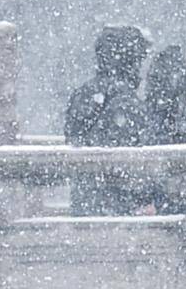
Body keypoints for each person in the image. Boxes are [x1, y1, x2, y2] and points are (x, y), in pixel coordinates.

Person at [64, 24, 157, 214]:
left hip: (85, 201)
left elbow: (72, 138)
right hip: (119, 208)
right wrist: (147, 196)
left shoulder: (83, 94)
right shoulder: (126, 102)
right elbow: (128, 161)